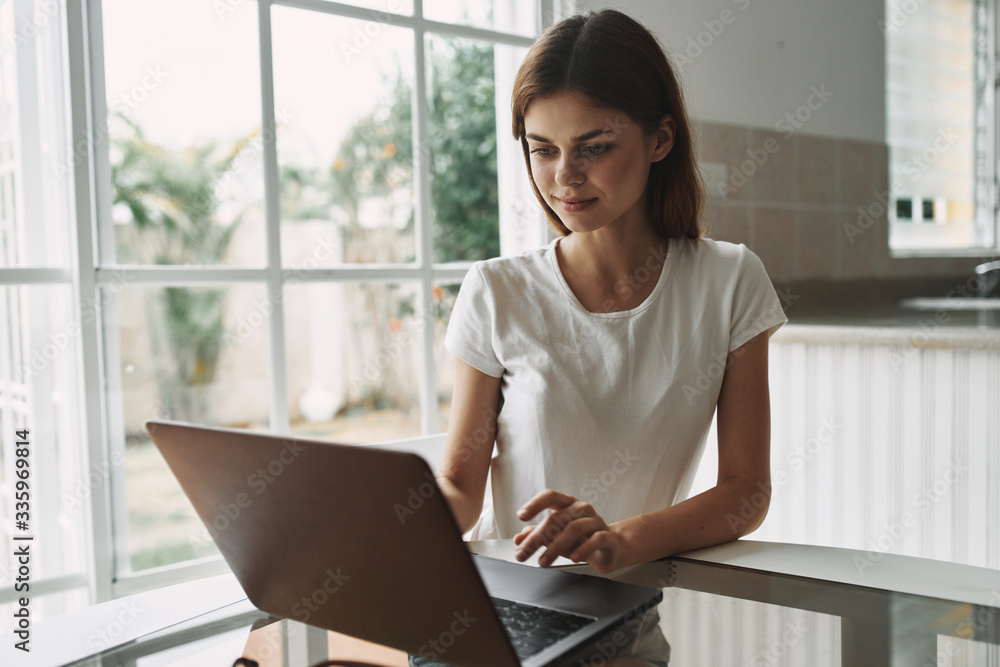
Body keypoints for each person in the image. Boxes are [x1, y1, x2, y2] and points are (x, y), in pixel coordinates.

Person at [428, 8, 787, 666]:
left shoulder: (730, 280)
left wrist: (622, 540)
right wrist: (379, 528)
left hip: (622, 631)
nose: (564, 175)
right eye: (542, 148)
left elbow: (746, 491)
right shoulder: (497, 290)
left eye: (594, 146)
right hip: (488, 628)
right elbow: (458, 487)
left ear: (660, 138)